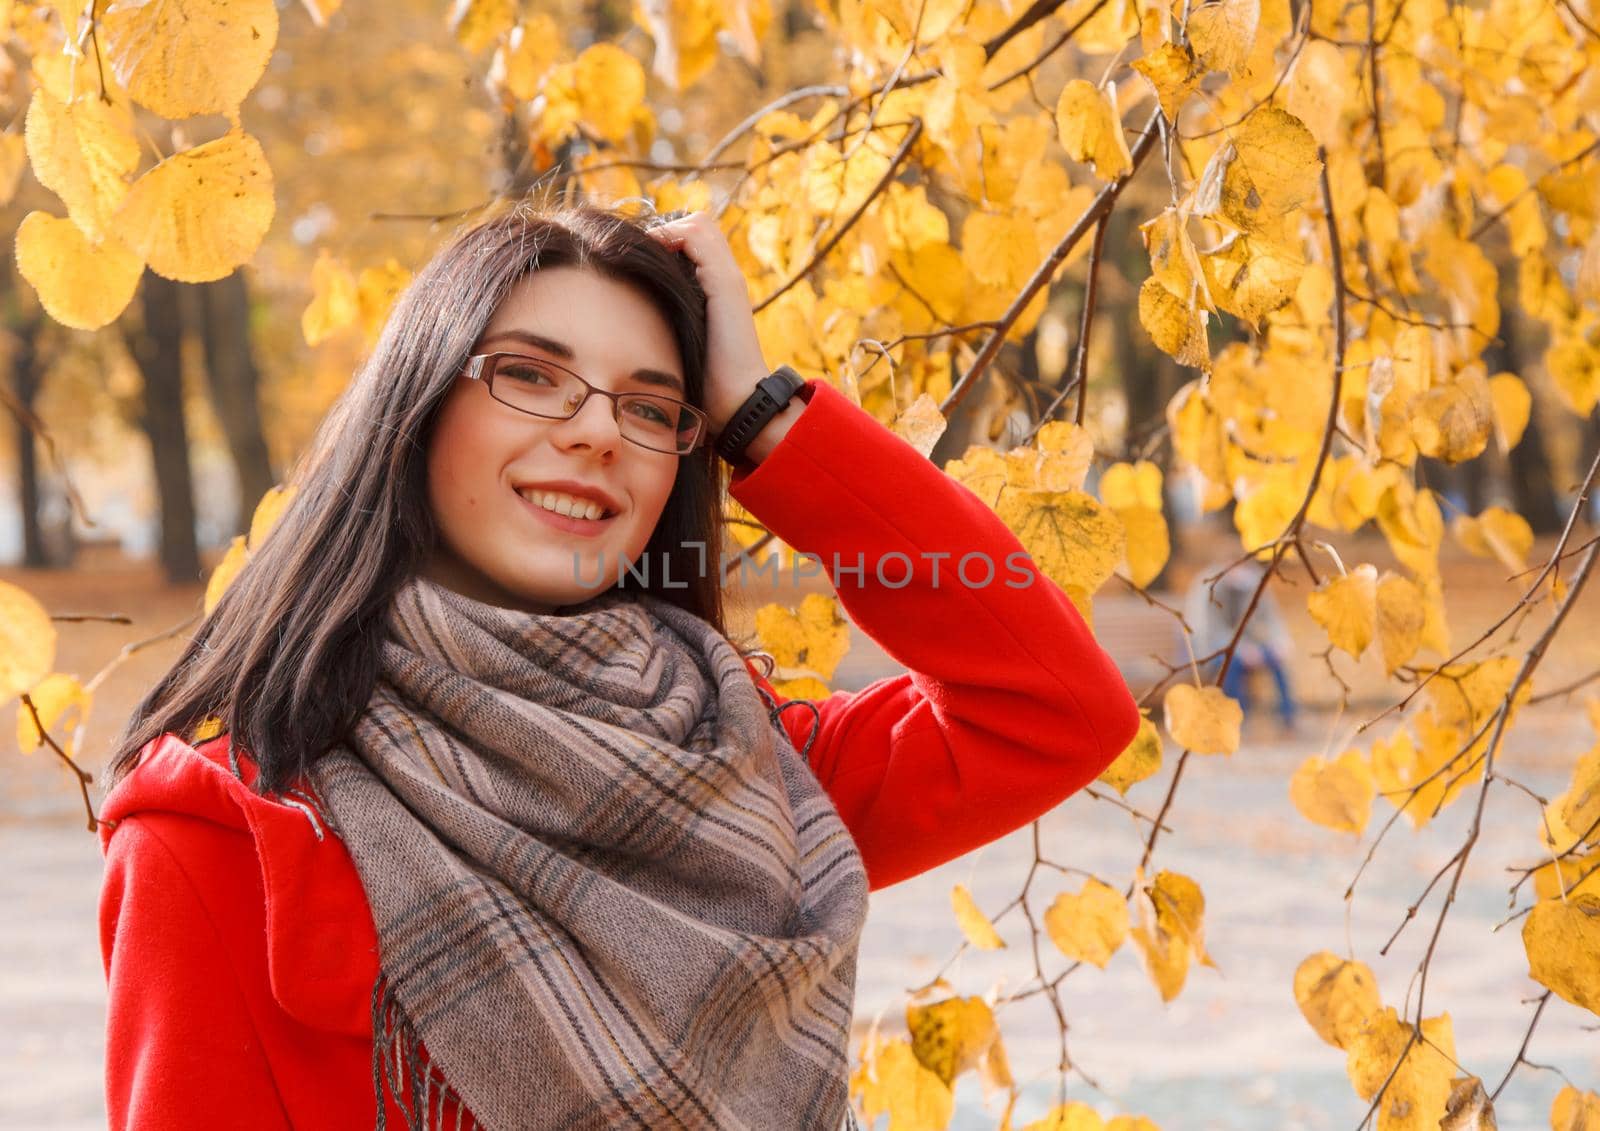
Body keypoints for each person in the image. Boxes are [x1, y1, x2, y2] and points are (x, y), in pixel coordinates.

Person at [96, 203, 1141, 1131]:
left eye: (649, 407)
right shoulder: (231, 836)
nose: (599, 430)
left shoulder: (745, 774)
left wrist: (762, 412)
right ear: (415, 413)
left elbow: (1053, 706)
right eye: (530, 375)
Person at [1183, 556, 1299, 732]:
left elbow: (1271, 617)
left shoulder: (1252, 582)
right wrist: (1241, 649)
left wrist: (1280, 641)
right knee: (1231, 664)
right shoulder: (1209, 585)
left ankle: (1288, 715)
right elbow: (1210, 630)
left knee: (1276, 660)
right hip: (1210, 649)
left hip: (1248, 646)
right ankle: (1239, 718)